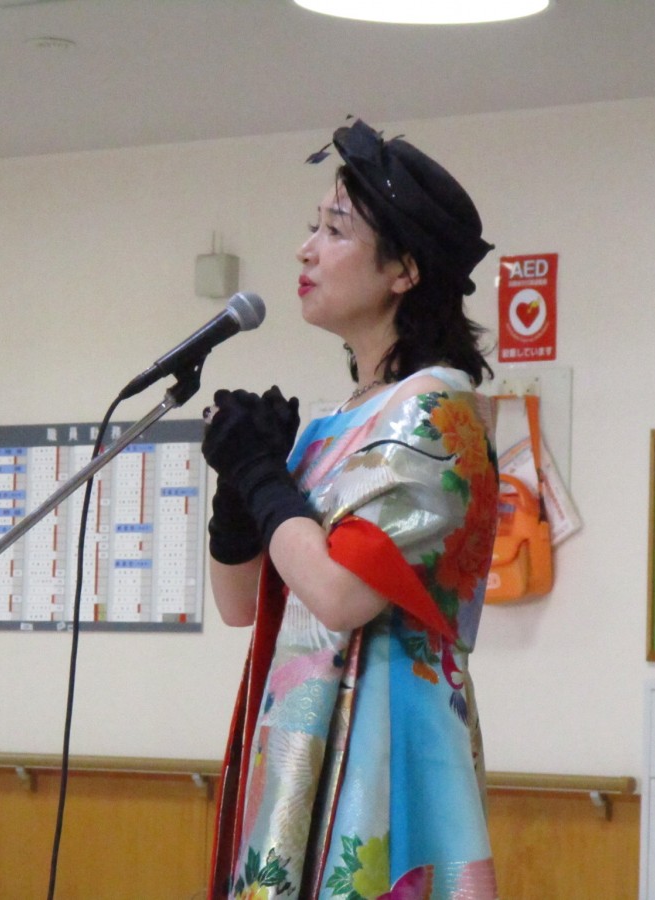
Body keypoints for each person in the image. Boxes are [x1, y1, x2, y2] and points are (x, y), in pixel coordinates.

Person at [202, 118, 499, 900]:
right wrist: (238, 493)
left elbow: (339, 595)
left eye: (334, 231)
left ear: (404, 270)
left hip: (383, 740)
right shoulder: (345, 420)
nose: (306, 250)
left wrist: (263, 479)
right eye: (314, 227)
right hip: (306, 727)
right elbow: (240, 603)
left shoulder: (436, 410)